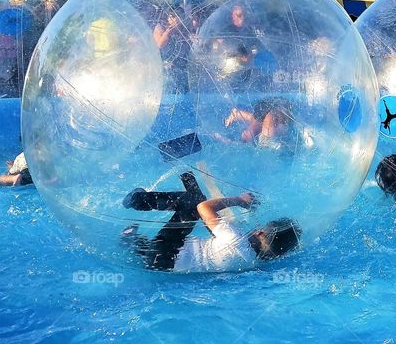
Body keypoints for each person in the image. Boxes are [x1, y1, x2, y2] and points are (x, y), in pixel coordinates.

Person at [122, 171, 301, 272]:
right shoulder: (252, 262)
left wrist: (239, 200)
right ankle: (129, 240)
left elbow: (203, 208)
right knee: (195, 197)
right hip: (163, 265)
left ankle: (139, 199)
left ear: (261, 232)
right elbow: (216, 233)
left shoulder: (234, 238)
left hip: (167, 251)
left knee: (194, 201)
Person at [223, 98, 294, 150]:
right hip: (271, 109)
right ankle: (236, 114)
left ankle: (237, 114)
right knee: (258, 127)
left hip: (272, 109)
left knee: (258, 125)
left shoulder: (266, 127)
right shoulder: (264, 127)